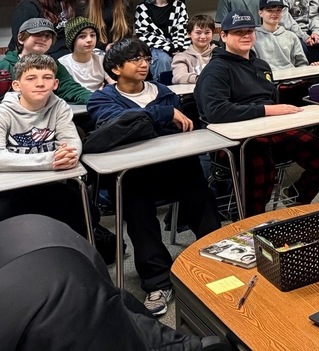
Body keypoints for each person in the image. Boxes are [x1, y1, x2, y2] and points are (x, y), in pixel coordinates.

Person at [87, 38, 222, 316]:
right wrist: (163, 114)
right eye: (135, 59)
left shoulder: (161, 90)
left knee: (201, 194)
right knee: (137, 212)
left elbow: (173, 131)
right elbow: (121, 126)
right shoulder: (101, 98)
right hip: (134, 173)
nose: (144, 64)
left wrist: (158, 118)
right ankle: (157, 281)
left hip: (172, 165)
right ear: (115, 69)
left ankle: (214, 260)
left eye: (146, 58)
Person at [0, 214, 230, 351]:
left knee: (106, 304)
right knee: (136, 196)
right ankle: (159, 286)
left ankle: (220, 262)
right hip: (44, 258)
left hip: (41, 247)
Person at [194, 10, 319, 215]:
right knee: (260, 164)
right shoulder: (216, 70)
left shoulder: (261, 65)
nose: (245, 36)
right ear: (223, 36)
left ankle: (296, 196)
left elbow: (272, 98)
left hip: (269, 130)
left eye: (249, 31)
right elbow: (217, 112)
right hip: (233, 141)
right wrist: (267, 110)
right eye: (238, 32)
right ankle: (251, 223)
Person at [0, 54, 90, 238]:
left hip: (50, 181)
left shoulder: (60, 107)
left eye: (47, 78)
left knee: (78, 205)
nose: (40, 84)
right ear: (16, 85)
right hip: (11, 188)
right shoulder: (4, 112)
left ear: (55, 83)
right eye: (31, 78)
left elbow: (72, 142)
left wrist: (69, 155)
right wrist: (50, 160)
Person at [1, 19, 91, 106]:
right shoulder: (5, 66)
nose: (43, 39)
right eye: (37, 34)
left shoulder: (54, 65)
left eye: (48, 36)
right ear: (21, 38)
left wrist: (96, 99)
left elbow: (70, 89)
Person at [8, 0, 76, 58]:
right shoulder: (28, 6)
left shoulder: (63, 2)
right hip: (37, 54)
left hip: (63, 52)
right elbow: (20, 38)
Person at [134, 0, 188, 79]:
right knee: (164, 60)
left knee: (189, 57)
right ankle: (163, 91)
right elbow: (145, 35)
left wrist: (177, 48)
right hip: (154, 46)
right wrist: (169, 47)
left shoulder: (179, 6)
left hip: (179, 44)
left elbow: (181, 29)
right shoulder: (142, 8)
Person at [254, 0, 309, 71]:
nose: (274, 14)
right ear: (260, 13)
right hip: (266, 81)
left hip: (292, 80)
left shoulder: (291, 36)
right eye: (269, 10)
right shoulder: (253, 36)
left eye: (278, 10)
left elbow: (302, 63)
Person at [59, 17, 108, 92]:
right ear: (72, 41)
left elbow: (114, 83)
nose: (89, 40)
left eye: (92, 35)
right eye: (82, 36)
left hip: (99, 100)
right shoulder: (62, 64)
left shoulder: (102, 60)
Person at [171, 14, 216, 85]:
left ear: (212, 34)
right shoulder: (181, 57)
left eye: (207, 32)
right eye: (198, 33)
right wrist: (201, 79)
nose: (203, 36)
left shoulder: (220, 54)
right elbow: (178, 77)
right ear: (189, 34)